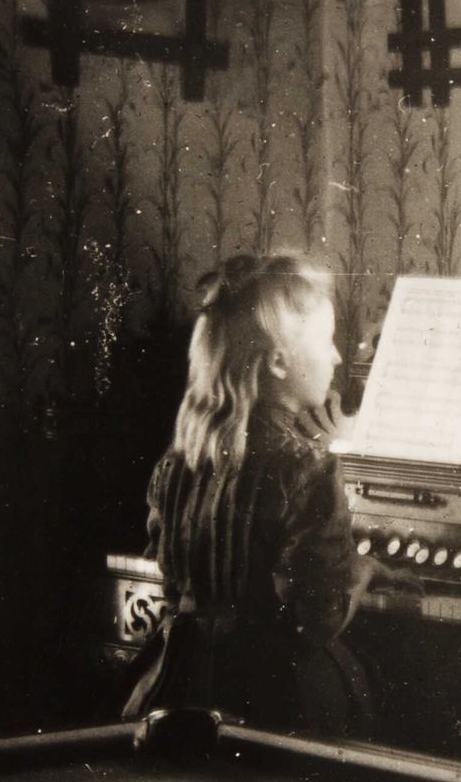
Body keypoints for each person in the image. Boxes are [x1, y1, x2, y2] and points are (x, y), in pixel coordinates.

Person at [123, 254, 372, 743]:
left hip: (177, 684)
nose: (337, 358)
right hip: (271, 697)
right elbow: (316, 621)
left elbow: (168, 574)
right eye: (326, 341)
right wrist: (361, 575)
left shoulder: (179, 459)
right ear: (277, 362)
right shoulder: (309, 467)